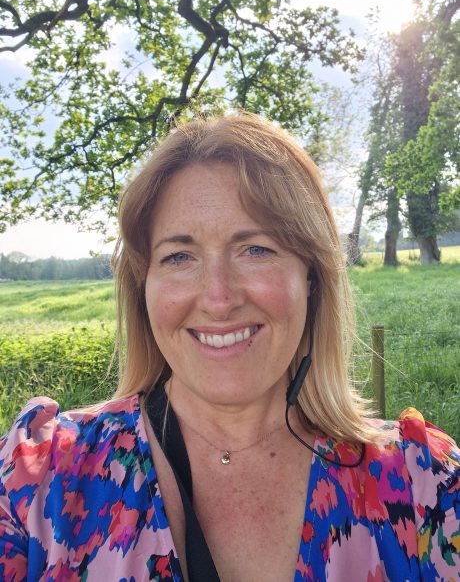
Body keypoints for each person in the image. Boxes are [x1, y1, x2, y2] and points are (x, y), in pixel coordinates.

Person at [0, 113, 458, 582]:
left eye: (256, 249)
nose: (218, 299)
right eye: (179, 257)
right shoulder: (38, 482)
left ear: (312, 277)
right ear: (144, 288)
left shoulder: (424, 489)